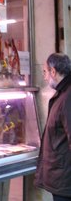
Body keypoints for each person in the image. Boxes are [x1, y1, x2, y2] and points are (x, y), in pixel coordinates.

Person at [34, 53, 71, 201]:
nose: (44, 76)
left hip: (65, 180)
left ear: (53, 72)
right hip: (61, 177)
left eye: (45, 71)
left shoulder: (68, 97)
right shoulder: (63, 92)